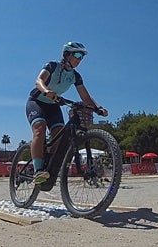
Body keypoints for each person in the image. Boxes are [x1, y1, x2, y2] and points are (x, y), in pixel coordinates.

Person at [25, 41, 108, 184]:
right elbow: (38, 81)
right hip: (37, 102)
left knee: (59, 135)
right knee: (40, 129)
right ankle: (38, 170)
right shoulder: (52, 66)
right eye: (76, 55)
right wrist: (46, 91)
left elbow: (86, 97)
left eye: (82, 57)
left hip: (54, 106)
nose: (79, 59)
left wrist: (98, 108)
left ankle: (48, 164)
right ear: (66, 54)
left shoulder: (75, 76)